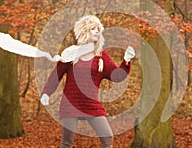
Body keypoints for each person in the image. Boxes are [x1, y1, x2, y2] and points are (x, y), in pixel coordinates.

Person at [40, 15, 135, 148]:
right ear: (84, 32)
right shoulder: (72, 54)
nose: (97, 31)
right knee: (67, 142)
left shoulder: (102, 56)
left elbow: (117, 76)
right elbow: (56, 75)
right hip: (71, 104)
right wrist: (46, 93)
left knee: (107, 138)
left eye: (98, 29)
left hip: (92, 105)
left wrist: (126, 61)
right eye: (93, 28)